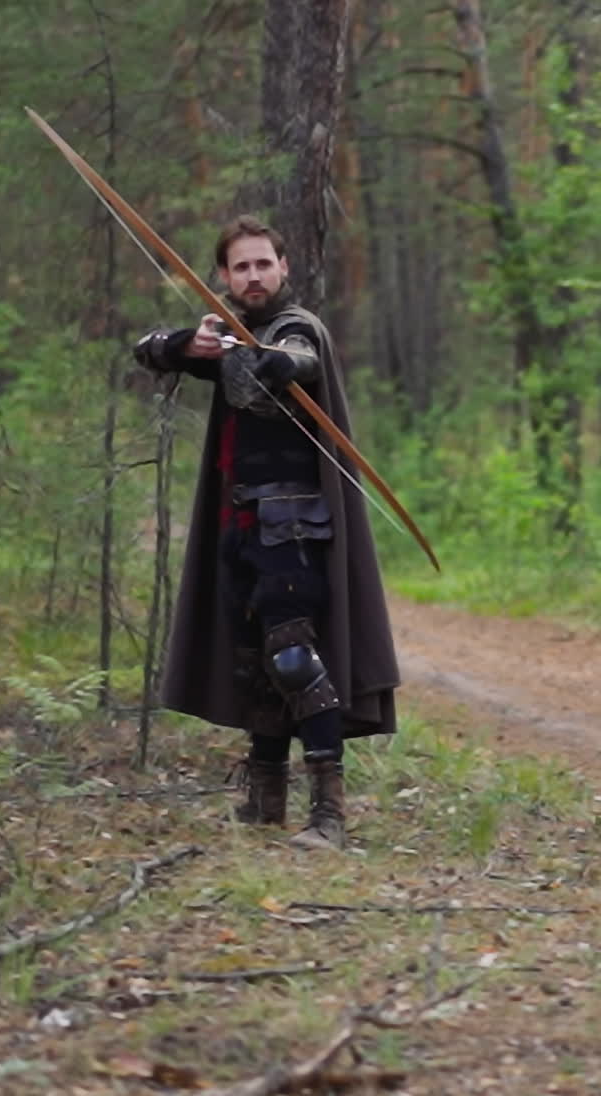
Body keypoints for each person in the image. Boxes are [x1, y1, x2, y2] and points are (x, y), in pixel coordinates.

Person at [133, 215, 399, 849]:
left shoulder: (295, 327)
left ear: (283, 268)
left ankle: (328, 815)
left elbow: (292, 361)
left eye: (263, 264)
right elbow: (146, 350)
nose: (253, 276)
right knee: (255, 663)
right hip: (239, 524)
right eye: (240, 267)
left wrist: (261, 357)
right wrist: (185, 344)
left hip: (295, 527)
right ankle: (266, 800)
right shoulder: (224, 332)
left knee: (294, 657)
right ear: (223, 276)